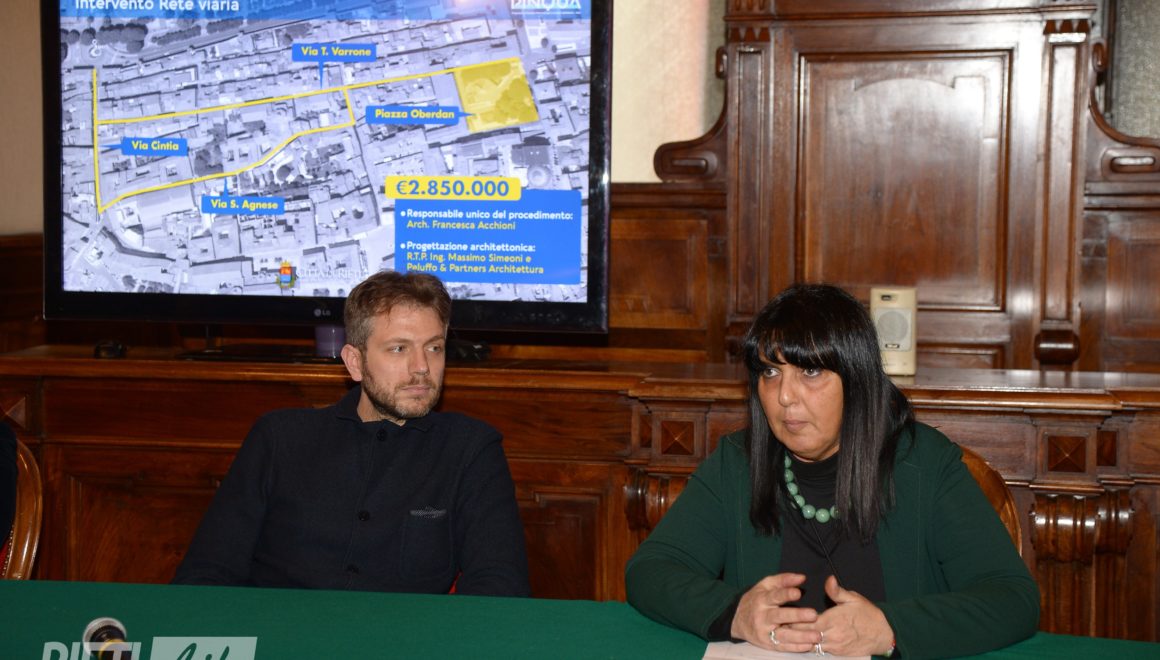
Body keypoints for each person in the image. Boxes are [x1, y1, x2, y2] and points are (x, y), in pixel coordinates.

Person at [625, 283, 1039, 658]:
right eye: (770, 372)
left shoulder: (925, 464)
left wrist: (890, 629)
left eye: (810, 371)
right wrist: (734, 613)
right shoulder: (738, 462)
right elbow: (650, 571)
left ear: (857, 380)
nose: (784, 396)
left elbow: (1013, 599)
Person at [174, 271, 530, 596]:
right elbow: (206, 574)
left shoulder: (470, 449)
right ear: (355, 362)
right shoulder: (280, 438)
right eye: (399, 348)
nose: (422, 367)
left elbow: (499, 587)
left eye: (434, 348)